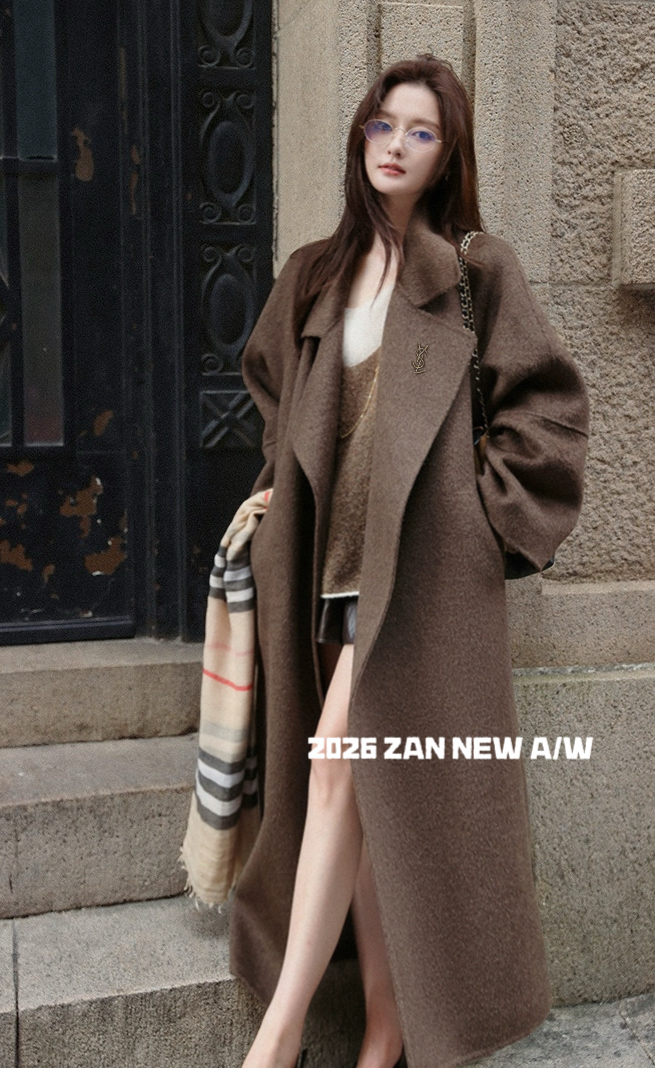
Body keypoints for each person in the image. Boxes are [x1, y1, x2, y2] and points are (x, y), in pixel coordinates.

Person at [232, 55, 589, 1068]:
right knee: (372, 795)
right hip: (324, 571)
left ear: (447, 154)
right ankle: (385, 1029)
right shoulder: (313, 271)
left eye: (420, 131)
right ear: (360, 134)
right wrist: (278, 484)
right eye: (382, 124)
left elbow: (548, 410)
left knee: (339, 763)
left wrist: (479, 519)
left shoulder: (475, 271)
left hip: (418, 581)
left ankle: (278, 1035)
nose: (395, 144)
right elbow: (271, 384)